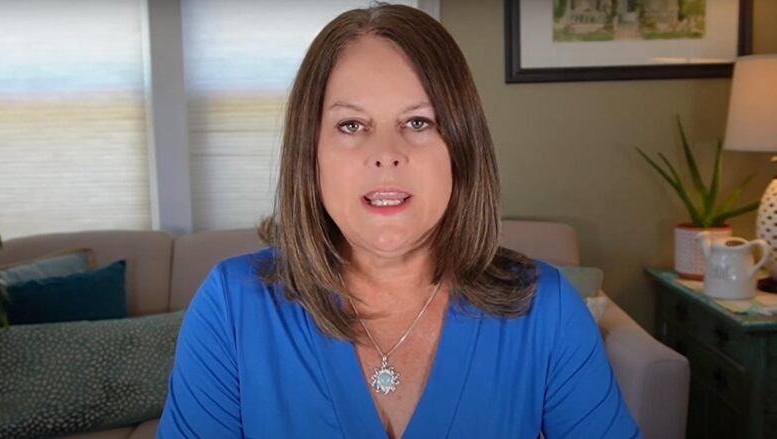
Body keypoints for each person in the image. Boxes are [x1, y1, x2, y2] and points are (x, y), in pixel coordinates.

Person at [157, 3, 641, 438]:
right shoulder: (230, 308)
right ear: (311, 154)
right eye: (351, 125)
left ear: (462, 148)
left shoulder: (548, 312)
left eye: (418, 122)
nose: (386, 154)